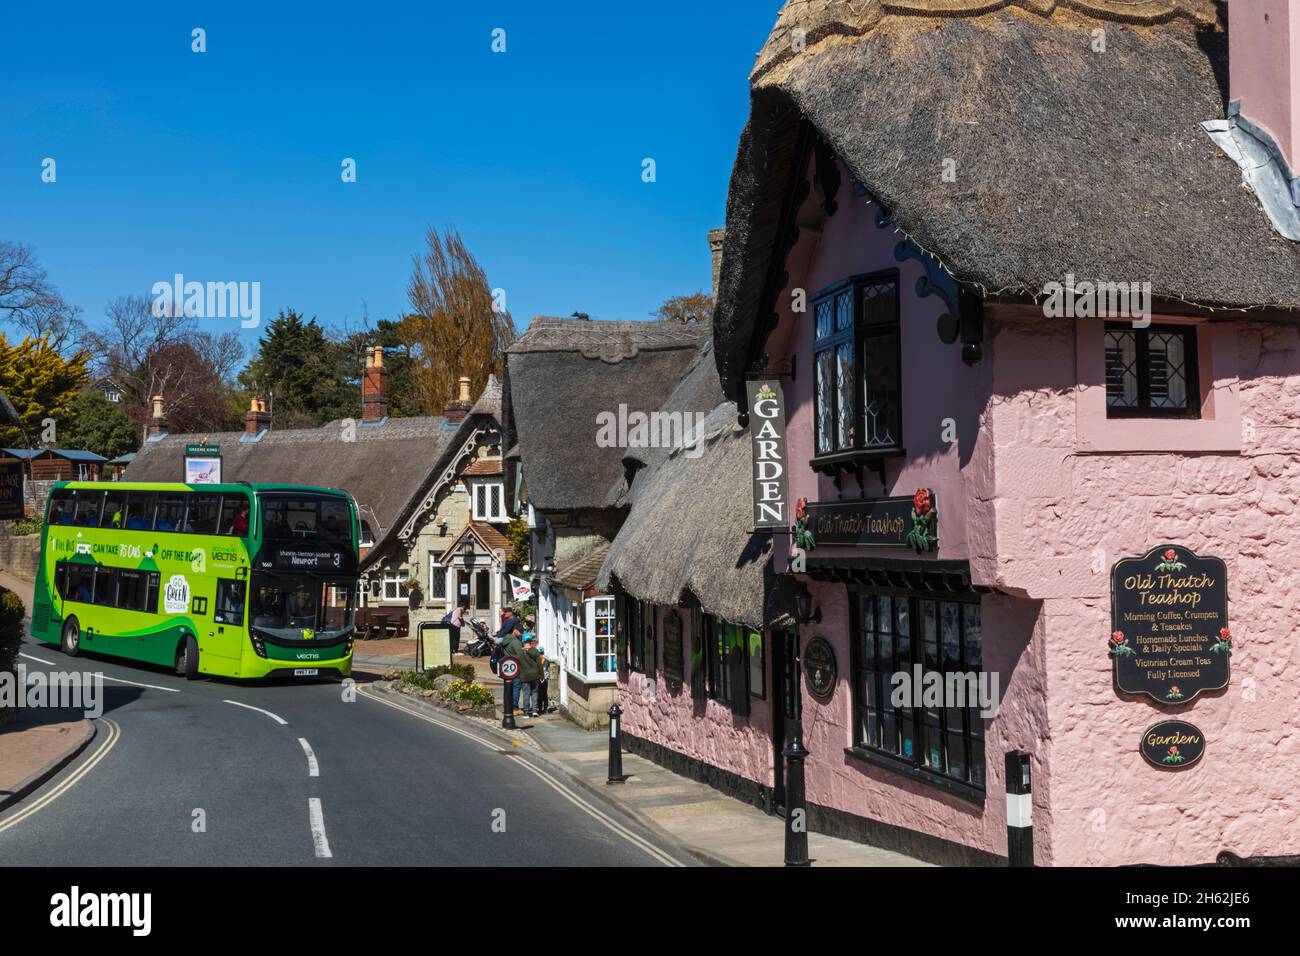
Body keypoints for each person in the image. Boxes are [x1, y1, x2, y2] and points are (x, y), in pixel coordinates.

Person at [501, 626, 530, 716]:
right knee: (516, 687)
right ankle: (514, 708)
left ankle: (507, 706)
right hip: (515, 667)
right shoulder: (515, 641)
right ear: (515, 631)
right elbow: (520, 655)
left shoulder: (505, 639)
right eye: (520, 631)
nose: (521, 633)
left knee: (507, 686)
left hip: (506, 666)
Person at [520, 631, 544, 718]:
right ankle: (534, 710)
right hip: (535, 675)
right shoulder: (535, 651)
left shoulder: (520, 653)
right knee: (535, 693)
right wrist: (542, 675)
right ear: (531, 641)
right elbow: (539, 664)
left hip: (524, 676)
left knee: (526, 694)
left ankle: (526, 713)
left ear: (523, 642)